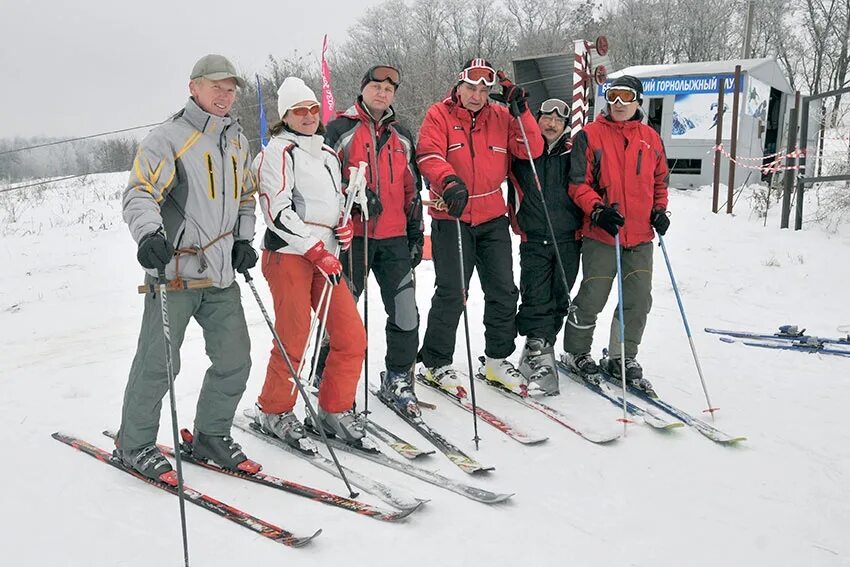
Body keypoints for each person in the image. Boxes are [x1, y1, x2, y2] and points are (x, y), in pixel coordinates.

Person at [118, 54, 260, 481]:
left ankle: (211, 435)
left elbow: (246, 196)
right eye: (215, 85)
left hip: (220, 274)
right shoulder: (169, 137)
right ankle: (135, 443)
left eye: (230, 87)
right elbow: (140, 191)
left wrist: (243, 240)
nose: (224, 94)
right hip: (175, 271)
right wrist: (148, 235)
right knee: (158, 363)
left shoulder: (237, 141)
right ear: (193, 87)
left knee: (236, 360)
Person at [251, 76, 368, 449]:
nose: (308, 116)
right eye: (299, 111)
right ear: (286, 115)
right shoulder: (277, 152)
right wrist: (314, 248)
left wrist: (343, 228)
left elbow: (332, 209)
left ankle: (334, 407)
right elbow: (277, 210)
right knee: (294, 335)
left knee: (351, 336)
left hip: (326, 258)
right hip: (289, 256)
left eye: (313, 109)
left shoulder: (330, 155)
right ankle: (274, 409)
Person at [416, 58, 543, 395]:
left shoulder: (501, 116)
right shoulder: (439, 114)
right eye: (471, 88)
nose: (477, 95)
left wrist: (522, 111)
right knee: (452, 292)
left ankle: (497, 360)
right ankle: (436, 363)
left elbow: (532, 148)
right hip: (452, 217)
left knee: (503, 291)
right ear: (458, 86)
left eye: (484, 89)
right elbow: (428, 154)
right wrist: (448, 182)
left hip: (492, 218)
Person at [322, 65, 424, 417]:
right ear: (363, 89)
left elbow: (413, 190)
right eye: (376, 86)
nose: (383, 93)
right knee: (341, 317)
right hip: (353, 239)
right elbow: (323, 180)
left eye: (389, 89)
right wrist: (358, 191)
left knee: (406, 313)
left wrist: (416, 231)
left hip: (394, 238)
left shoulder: (403, 135)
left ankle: (398, 377)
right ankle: (326, 381)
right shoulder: (339, 130)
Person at [562, 75, 670, 392]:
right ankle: (577, 352)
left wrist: (660, 211)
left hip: (640, 236)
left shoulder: (651, 138)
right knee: (592, 297)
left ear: (638, 100)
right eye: (613, 96)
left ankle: (622, 356)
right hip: (603, 234)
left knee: (638, 300)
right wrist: (597, 209)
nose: (619, 104)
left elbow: (660, 183)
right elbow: (577, 183)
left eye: (625, 96)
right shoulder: (590, 136)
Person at [507, 98, 583, 395]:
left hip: (569, 238)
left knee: (559, 298)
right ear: (536, 120)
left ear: (565, 125)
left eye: (558, 120)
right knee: (535, 295)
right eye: (546, 118)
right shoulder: (522, 152)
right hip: (534, 236)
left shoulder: (574, 151)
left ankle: (539, 349)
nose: (551, 124)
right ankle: (541, 359)